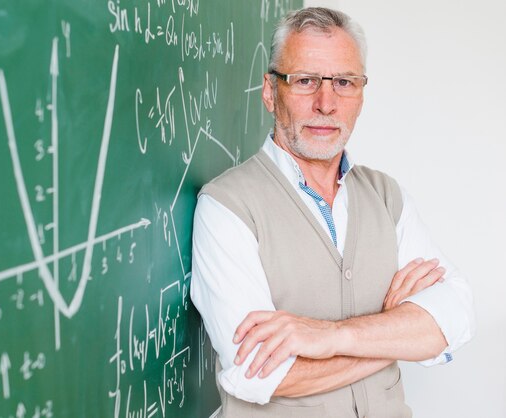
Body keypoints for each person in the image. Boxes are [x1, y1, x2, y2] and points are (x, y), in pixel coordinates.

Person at [190, 7, 475, 418]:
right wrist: (394, 330)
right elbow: (258, 375)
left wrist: (329, 336)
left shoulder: (387, 198)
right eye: (305, 81)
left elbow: (456, 316)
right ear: (271, 91)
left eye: (344, 82)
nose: (326, 103)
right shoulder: (227, 207)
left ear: (361, 94)